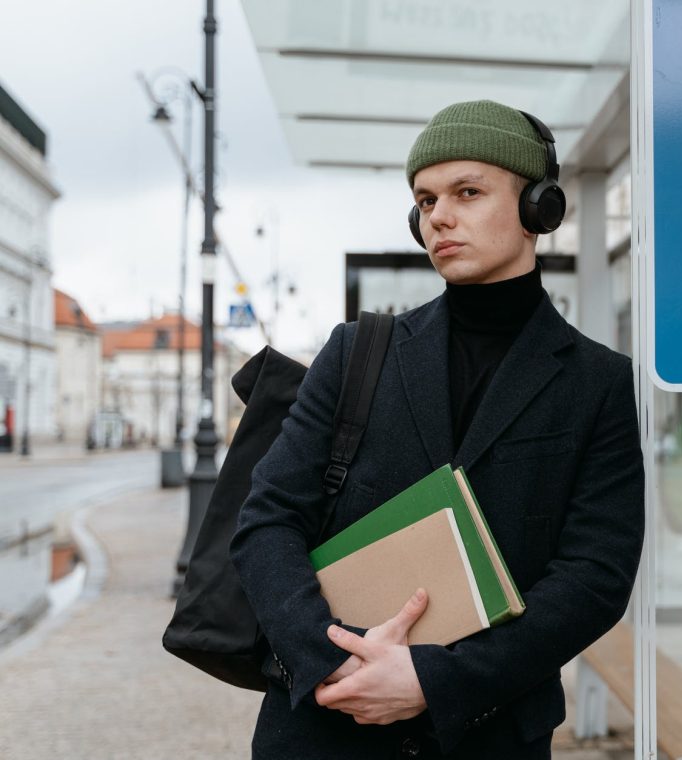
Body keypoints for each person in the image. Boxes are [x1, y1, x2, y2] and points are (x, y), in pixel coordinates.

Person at [230, 99, 645, 759]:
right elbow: (266, 520)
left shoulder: (597, 382)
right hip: (322, 731)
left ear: (540, 208)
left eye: (467, 192)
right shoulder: (356, 352)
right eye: (426, 200)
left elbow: (595, 576)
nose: (440, 217)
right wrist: (336, 661)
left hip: (493, 734)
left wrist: (436, 681)